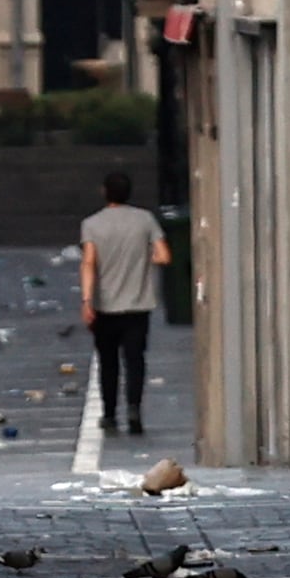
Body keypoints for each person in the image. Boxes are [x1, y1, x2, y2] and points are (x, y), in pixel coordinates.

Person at [80, 171, 169, 435]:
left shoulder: (92, 224)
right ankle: (134, 409)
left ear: (105, 192)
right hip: (138, 305)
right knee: (135, 360)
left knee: (108, 362)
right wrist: (143, 260)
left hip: (105, 305)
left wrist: (87, 300)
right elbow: (163, 256)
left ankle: (109, 413)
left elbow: (89, 263)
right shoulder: (145, 219)